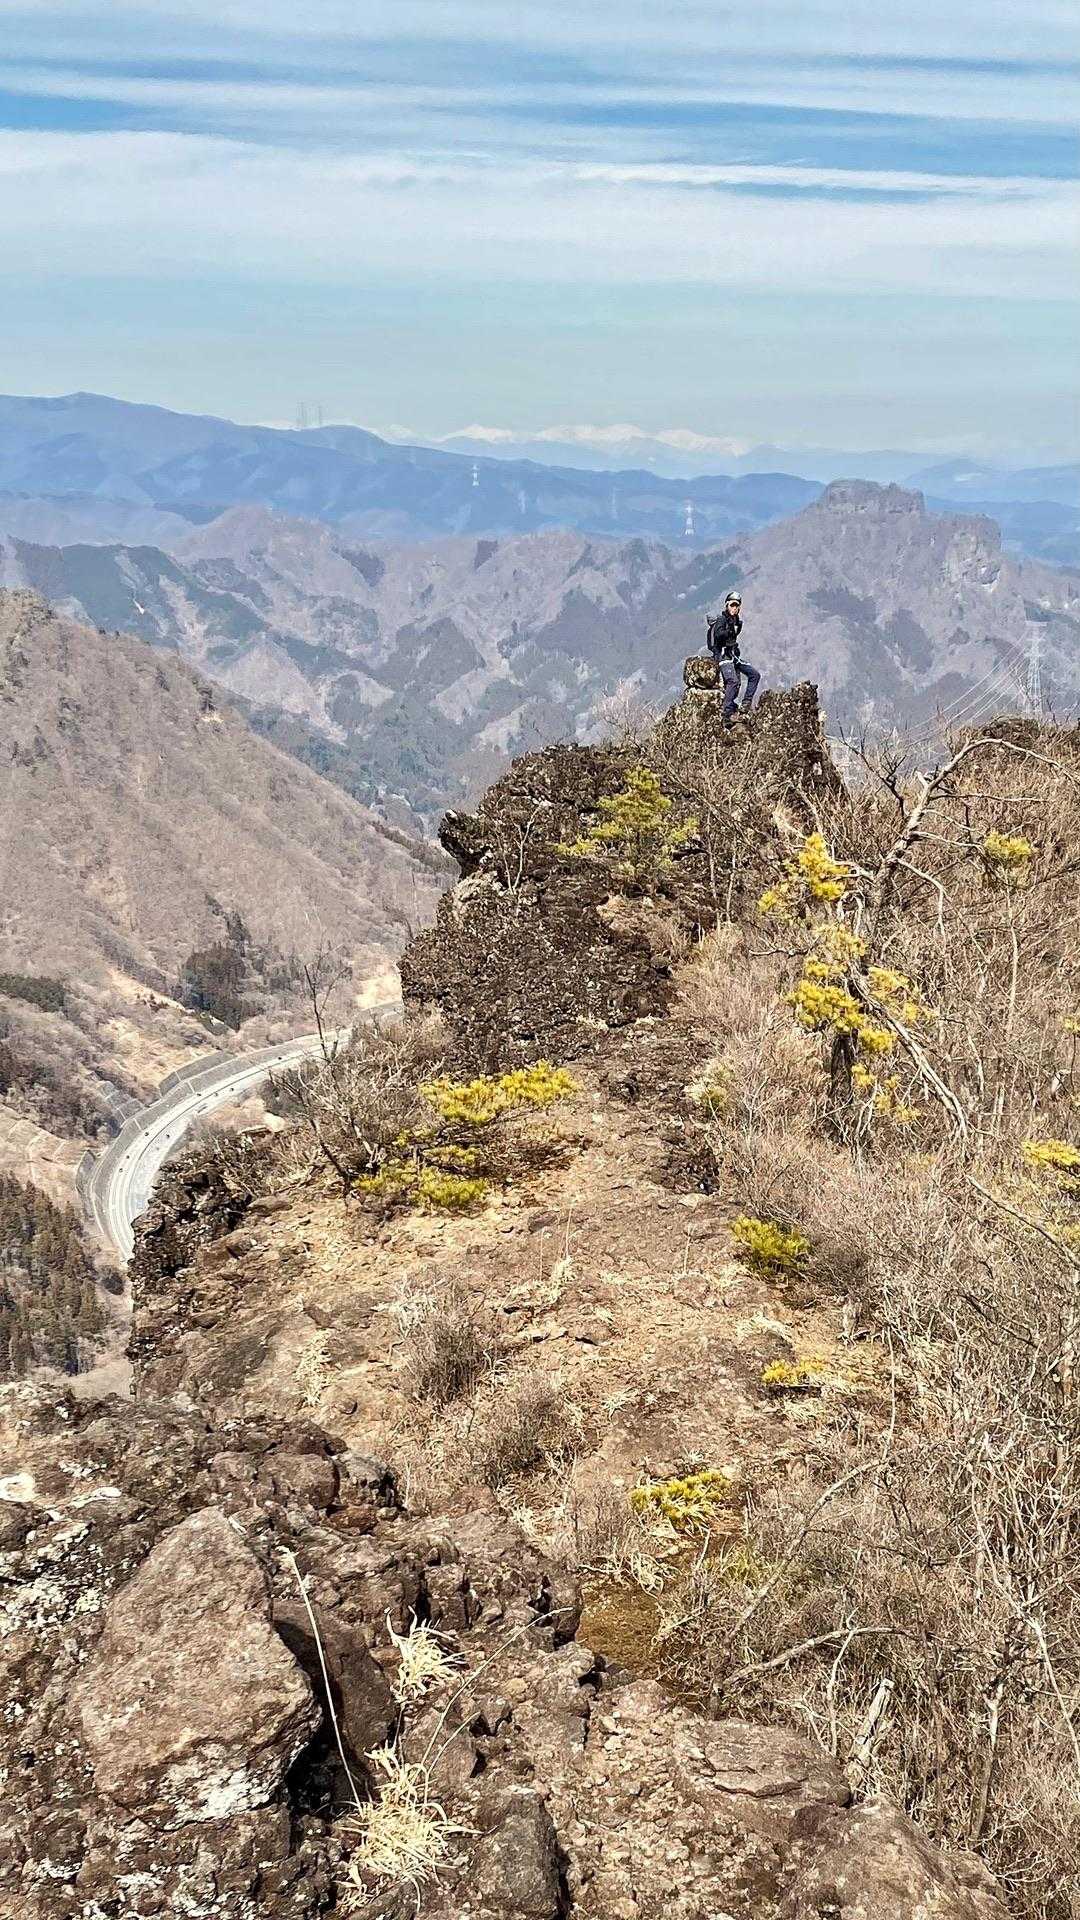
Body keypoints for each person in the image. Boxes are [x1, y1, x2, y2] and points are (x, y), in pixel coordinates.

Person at [706, 592, 761, 721]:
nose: (734, 608)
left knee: (755, 675)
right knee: (733, 681)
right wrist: (729, 631)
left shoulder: (736, 621)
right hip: (722, 655)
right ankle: (727, 713)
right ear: (727, 605)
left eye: (737, 606)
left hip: (732, 655)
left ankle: (745, 704)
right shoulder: (722, 620)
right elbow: (718, 635)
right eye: (732, 605)